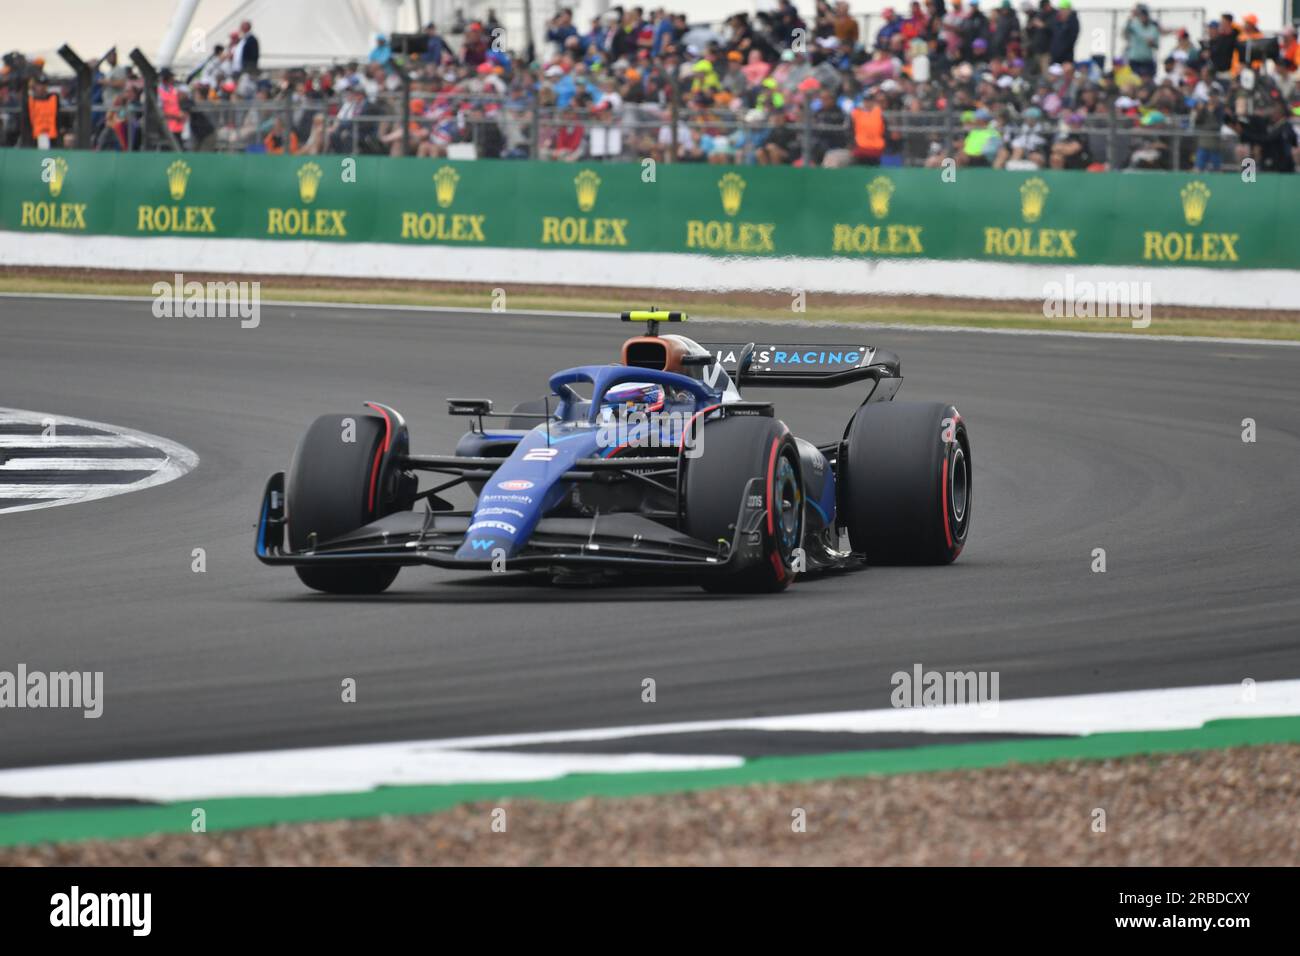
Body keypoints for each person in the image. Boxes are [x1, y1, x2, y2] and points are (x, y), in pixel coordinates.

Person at [1123, 5, 1162, 79]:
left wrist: (1152, 43)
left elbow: (1157, 46)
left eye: (1144, 16)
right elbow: (1125, 34)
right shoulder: (1134, 25)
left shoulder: (1153, 28)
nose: (1143, 18)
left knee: (1148, 79)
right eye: (1141, 16)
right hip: (1134, 59)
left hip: (1147, 59)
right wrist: (1130, 19)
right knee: (1134, 79)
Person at [21, 73, 60, 148]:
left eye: (44, 85)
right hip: (34, 137)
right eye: (39, 85)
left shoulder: (54, 98)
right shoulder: (29, 101)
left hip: (52, 136)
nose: (42, 87)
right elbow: (25, 122)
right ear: (34, 86)